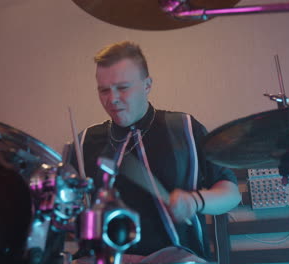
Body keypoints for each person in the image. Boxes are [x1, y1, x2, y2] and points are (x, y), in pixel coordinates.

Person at [71, 41, 241, 263]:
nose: (111, 99)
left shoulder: (184, 129)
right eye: (104, 90)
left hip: (175, 256)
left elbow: (231, 194)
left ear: (147, 85)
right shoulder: (85, 141)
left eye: (122, 88)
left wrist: (195, 201)